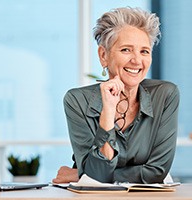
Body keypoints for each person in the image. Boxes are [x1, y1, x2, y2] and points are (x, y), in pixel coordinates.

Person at [52, 7, 179, 184]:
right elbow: (98, 173)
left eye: (144, 51)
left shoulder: (165, 95)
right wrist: (108, 113)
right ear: (103, 55)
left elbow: (157, 171)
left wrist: (80, 175)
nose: (136, 60)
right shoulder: (77, 101)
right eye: (126, 50)